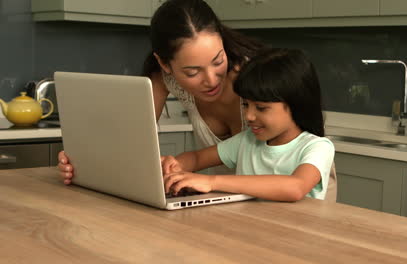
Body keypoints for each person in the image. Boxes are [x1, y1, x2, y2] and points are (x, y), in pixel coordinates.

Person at [57, 0, 265, 181]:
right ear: (165, 65)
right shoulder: (163, 78)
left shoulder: (261, 77)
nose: (211, 80)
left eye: (218, 61)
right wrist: (82, 161)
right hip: (221, 201)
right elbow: (131, 143)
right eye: (193, 72)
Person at [161, 48, 335, 201]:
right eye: (245, 104)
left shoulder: (317, 147)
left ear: (297, 104)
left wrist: (211, 182)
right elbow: (197, 158)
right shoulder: (246, 141)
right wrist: (175, 166)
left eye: (261, 108)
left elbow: (295, 187)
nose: (249, 115)